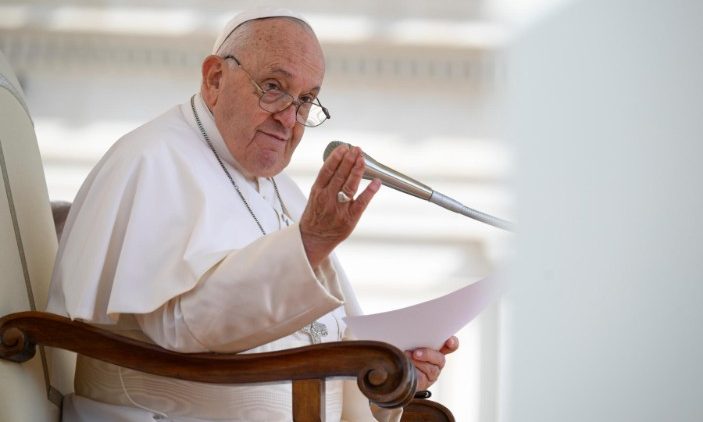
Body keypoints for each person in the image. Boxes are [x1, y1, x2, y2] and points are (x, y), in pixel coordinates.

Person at [46, 7, 458, 422]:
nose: (289, 118)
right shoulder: (151, 159)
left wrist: (391, 372)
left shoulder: (285, 190)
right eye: (274, 87)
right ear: (214, 79)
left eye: (306, 100)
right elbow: (182, 328)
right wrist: (309, 242)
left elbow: (322, 341)